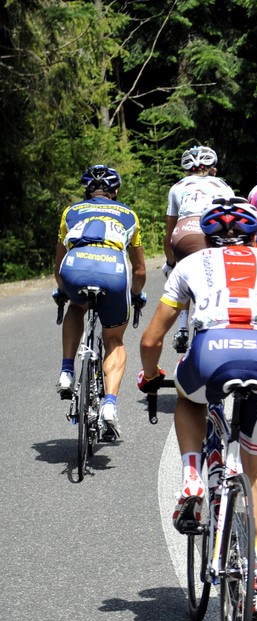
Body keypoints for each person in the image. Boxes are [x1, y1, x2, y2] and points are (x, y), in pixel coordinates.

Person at [138, 196, 257, 617]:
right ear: (253, 235)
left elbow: (152, 339)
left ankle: (192, 475)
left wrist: (151, 375)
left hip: (212, 350)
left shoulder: (191, 265)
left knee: (189, 401)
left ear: (208, 237)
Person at [55, 165, 148, 439]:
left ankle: (67, 371)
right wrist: (136, 295)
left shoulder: (71, 211)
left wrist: (63, 290)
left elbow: (59, 260)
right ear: (115, 191)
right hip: (113, 273)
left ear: (87, 191)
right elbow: (140, 270)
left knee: (76, 306)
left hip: (75, 268)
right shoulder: (128, 214)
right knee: (114, 341)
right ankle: (109, 404)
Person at [163, 145, 235, 352]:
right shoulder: (223, 186)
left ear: (187, 170)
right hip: (211, 234)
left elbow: (168, 235)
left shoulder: (177, 187)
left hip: (183, 235)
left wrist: (170, 263)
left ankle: (182, 327)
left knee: (183, 273)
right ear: (212, 167)